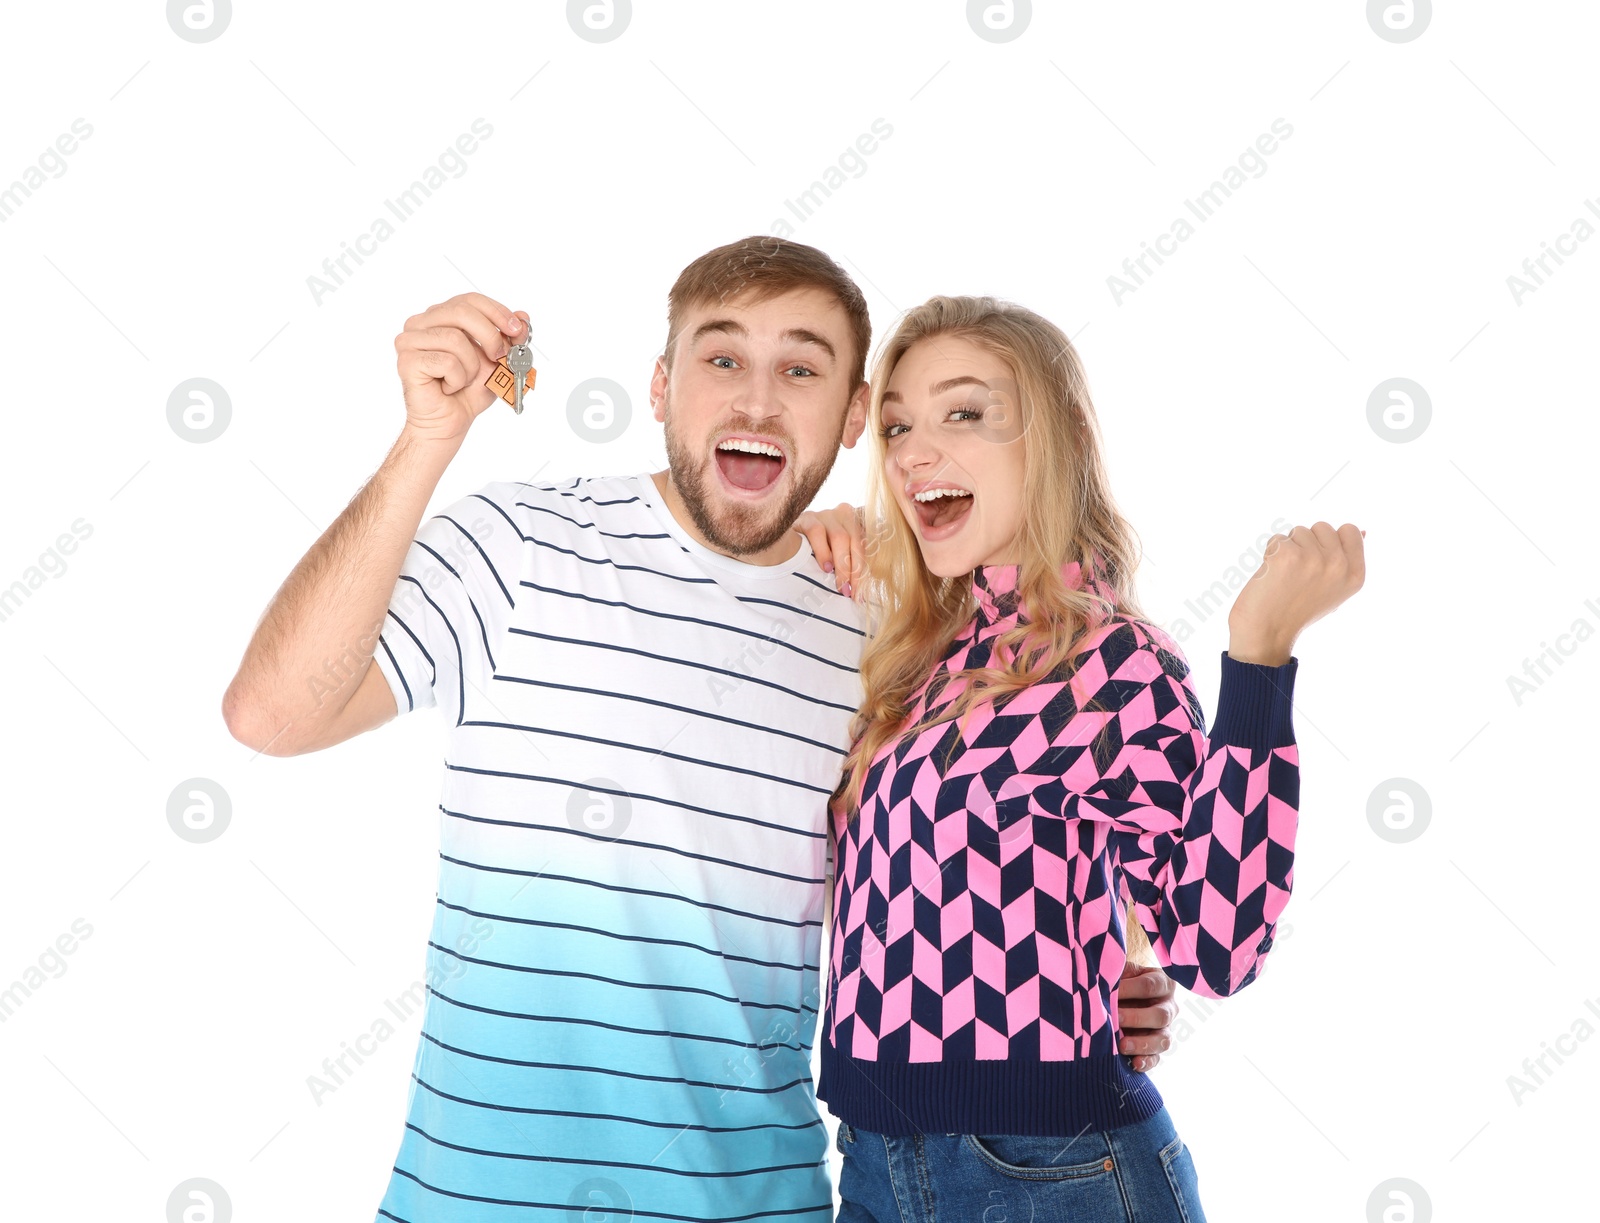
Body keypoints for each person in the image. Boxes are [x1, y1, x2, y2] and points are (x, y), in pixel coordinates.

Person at [221, 238, 1179, 1223]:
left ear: (854, 416)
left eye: (801, 368)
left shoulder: (885, 633)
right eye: (722, 358)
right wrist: (424, 440)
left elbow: (973, 852)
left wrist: (1081, 977)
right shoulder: (516, 548)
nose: (757, 402)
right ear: (661, 385)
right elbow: (274, 712)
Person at [796, 295, 1364, 1221]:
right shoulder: (920, 659)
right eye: (896, 423)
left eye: (964, 412)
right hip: (871, 1158)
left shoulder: (1112, 661)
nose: (910, 451)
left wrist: (1259, 659)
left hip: (1046, 1172)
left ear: (1050, 441)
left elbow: (1214, 944)